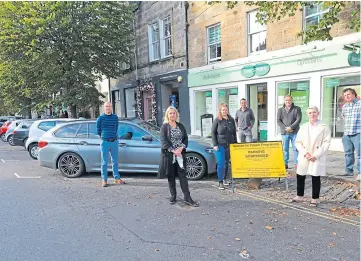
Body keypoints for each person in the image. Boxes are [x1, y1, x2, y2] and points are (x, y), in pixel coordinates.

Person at [158, 106, 198, 207]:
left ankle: (187, 197)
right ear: (167, 115)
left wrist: (181, 148)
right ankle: (173, 195)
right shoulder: (164, 127)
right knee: (171, 176)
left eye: (174, 113)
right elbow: (164, 142)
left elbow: (185, 139)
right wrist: (173, 150)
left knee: (182, 176)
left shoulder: (180, 126)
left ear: (176, 115)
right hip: (169, 155)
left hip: (180, 155)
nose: (172, 115)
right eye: (170, 113)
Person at [292, 106, 331, 207]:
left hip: (316, 154)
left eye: (314, 112)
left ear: (318, 113)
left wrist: (316, 155)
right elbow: (298, 142)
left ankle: (315, 198)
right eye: (310, 113)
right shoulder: (303, 127)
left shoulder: (324, 127)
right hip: (305, 154)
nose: (312, 114)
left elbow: (326, 143)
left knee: (315, 176)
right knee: (300, 175)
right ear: (307, 115)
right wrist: (305, 153)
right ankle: (299, 195)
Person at [96, 101, 124, 187]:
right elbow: (98, 131)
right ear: (104, 108)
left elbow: (115, 128)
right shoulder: (100, 118)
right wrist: (104, 138)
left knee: (115, 162)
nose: (108, 108)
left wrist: (114, 137)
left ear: (112, 107)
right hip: (105, 142)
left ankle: (117, 178)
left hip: (114, 142)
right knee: (104, 162)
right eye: (106, 106)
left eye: (109, 106)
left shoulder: (115, 117)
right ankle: (104, 180)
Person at [211, 103, 237, 190]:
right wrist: (215, 144)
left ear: (228, 110)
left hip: (229, 144)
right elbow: (213, 133)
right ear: (220, 111)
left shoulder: (231, 119)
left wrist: (235, 143)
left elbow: (234, 133)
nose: (224, 111)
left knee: (226, 163)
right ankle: (220, 182)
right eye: (223, 110)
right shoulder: (217, 120)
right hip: (219, 145)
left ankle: (225, 179)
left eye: (226, 110)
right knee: (221, 163)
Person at [277, 95, 302, 170]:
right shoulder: (280, 110)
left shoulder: (297, 109)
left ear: (292, 100)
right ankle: (285, 163)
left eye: (289, 100)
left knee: (296, 148)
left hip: (294, 132)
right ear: (284, 101)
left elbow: (298, 119)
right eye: (286, 100)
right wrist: (286, 128)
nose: (288, 102)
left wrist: (291, 127)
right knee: (285, 148)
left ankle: (297, 163)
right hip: (284, 133)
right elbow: (278, 121)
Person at [341, 88, 360, 180]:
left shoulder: (360, 104)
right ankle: (349, 171)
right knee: (348, 153)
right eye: (345, 95)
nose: (346, 97)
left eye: (348, 94)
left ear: (354, 94)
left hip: (358, 133)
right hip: (347, 134)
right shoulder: (345, 106)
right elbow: (344, 118)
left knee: (359, 154)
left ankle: (360, 173)